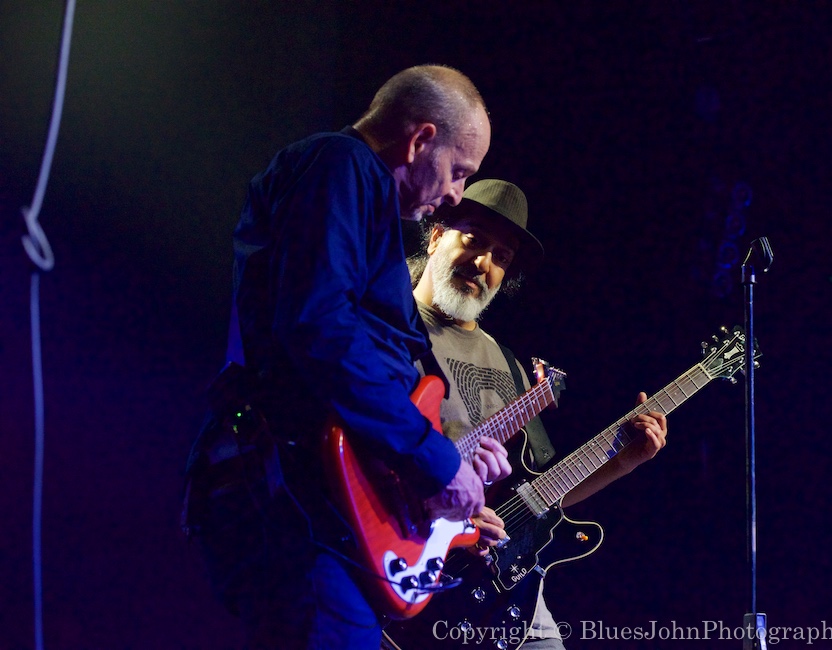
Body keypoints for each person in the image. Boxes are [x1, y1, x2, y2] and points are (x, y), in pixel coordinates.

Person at [181, 65, 512, 650]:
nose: (456, 194)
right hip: (297, 499)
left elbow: (355, 356)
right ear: (421, 140)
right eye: (459, 171)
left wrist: (441, 468)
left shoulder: (358, 192)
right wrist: (436, 464)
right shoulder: (341, 163)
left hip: (323, 507)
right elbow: (320, 328)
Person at [405, 179, 669, 649]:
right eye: (474, 240)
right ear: (436, 235)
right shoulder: (390, 329)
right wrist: (451, 517)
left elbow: (542, 493)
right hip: (415, 566)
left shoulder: (510, 365)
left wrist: (626, 460)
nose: (483, 263)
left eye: (501, 257)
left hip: (509, 589)